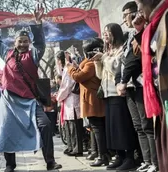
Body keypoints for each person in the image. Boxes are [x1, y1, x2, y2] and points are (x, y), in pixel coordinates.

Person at [0, 5, 62, 172]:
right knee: (6, 129)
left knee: (45, 125)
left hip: (30, 101)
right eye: (20, 41)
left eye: (25, 41)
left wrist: (37, 22)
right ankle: (10, 164)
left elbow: (40, 43)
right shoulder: (6, 54)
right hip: (9, 101)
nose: (22, 44)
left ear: (29, 43)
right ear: (14, 43)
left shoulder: (34, 55)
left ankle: (50, 161)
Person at [115, 1, 158, 172]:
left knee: (147, 126)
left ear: (135, 13)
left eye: (126, 14)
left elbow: (134, 60)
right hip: (130, 88)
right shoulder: (129, 36)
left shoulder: (143, 31)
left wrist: (123, 80)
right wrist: (120, 80)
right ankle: (147, 160)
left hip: (141, 85)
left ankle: (155, 162)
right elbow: (123, 62)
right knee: (138, 126)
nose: (124, 19)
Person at [93, 23, 137, 171]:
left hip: (118, 93)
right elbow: (100, 76)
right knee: (112, 129)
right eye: (104, 33)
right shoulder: (108, 51)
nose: (105, 35)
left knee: (123, 127)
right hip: (107, 94)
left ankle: (129, 157)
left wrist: (104, 58)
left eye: (108, 32)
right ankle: (119, 156)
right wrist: (98, 62)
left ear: (115, 33)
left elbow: (117, 70)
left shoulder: (121, 49)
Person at [133, 0, 168, 171]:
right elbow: (148, 52)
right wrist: (140, 30)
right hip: (160, 95)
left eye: (139, 8)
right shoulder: (154, 23)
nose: (139, 13)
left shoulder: (166, 17)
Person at [66, 37, 108, 167]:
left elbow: (78, 76)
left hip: (93, 100)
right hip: (90, 100)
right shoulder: (88, 62)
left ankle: (103, 156)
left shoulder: (90, 64)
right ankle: (99, 153)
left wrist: (70, 68)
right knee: (95, 128)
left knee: (97, 128)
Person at [55, 51, 83, 157]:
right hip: (67, 100)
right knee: (68, 125)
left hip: (71, 99)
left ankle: (77, 148)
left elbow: (67, 86)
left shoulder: (68, 68)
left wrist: (58, 97)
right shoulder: (65, 69)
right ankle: (71, 147)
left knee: (73, 126)